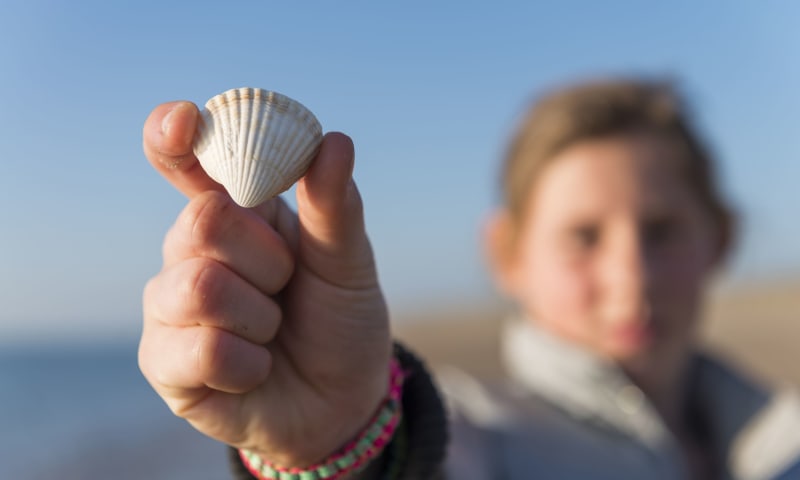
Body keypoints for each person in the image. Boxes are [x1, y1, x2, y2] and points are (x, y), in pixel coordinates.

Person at [138, 78, 800, 479]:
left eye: (660, 232)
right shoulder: (473, 433)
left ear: (721, 239)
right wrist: (338, 447)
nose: (631, 279)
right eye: (582, 237)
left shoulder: (785, 433)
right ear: (506, 255)